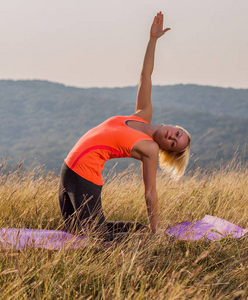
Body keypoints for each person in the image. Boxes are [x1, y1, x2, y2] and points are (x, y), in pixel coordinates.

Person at [58, 12, 191, 241]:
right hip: (69, 168)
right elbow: (145, 76)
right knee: (74, 235)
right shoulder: (142, 116)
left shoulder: (149, 148)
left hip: (85, 176)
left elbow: (150, 193)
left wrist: (154, 228)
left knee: (94, 242)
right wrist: (153, 40)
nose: (172, 137)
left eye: (173, 143)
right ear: (174, 126)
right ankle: (138, 231)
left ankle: (146, 237)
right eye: (177, 133)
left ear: (165, 149)